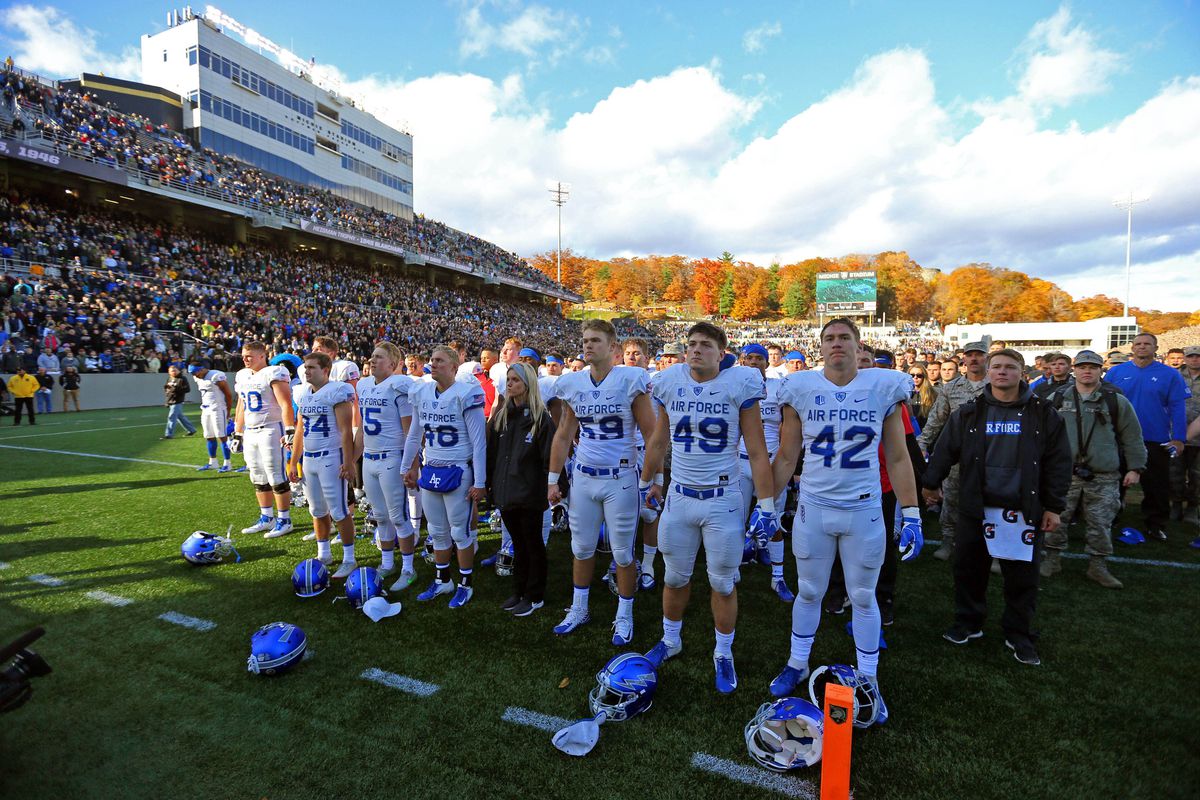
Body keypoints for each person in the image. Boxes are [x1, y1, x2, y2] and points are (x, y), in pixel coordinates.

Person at [766, 318, 920, 710]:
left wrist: (913, 513)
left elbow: (899, 457)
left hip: (864, 508)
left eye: (844, 338)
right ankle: (797, 663)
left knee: (864, 595)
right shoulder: (800, 387)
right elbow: (786, 455)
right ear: (820, 347)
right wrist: (766, 504)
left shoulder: (883, 386)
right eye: (830, 338)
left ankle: (868, 677)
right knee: (810, 591)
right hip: (814, 508)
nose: (837, 344)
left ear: (857, 344)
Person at [640, 322, 775, 695]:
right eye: (692, 344)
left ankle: (723, 651)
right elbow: (658, 440)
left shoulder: (739, 383)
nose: (696, 350)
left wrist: (766, 504)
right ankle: (670, 640)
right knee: (674, 576)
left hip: (722, 498)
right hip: (680, 497)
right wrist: (647, 481)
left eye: (705, 345)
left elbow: (758, 450)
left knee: (722, 581)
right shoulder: (670, 382)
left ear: (721, 353)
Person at [923, 348, 1072, 667]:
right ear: (988, 372)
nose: (1002, 372)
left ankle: (1018, 632)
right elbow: (945, 448)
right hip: (976, 506)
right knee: (968, 570)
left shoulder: (1043, 413)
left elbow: (1059, 462)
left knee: (1022, 578)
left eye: (1010, 367)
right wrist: (930, 483)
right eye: (997, 367)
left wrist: (1054, 506)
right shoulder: (970, 411)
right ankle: (968, 623)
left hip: (1022, 509)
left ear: (1023, 372)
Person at [548, 319, 656, 645]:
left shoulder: (631, 379)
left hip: (620, 477)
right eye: (585, 340)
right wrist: (553, 479)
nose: (587, 345)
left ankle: (625, 613)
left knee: (622, 553)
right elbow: (565, 432)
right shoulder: (573, 383)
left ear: (613, 348)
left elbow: (652, 434)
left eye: (595, 340)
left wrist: (654, 479)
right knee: (580, 547)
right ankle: (579, 607)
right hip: (583, 476)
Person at [1042, 350, 1146, 588]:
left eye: (1093, 367)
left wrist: (1135, 468)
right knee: (1056, 518)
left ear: (1101, 370)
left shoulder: (1115, 400)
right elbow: (1040, 435)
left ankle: (1097, 566)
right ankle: (1052, 559)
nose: (1087, 371)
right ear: (1074, 370)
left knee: (1101, 522)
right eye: (1082, 367)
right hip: (1064, 474)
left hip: (1103, 474)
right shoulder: (1057, 399)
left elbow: (1132, 437)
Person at [402, 345, 488, 608]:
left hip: (458, 470)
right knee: (437, 532)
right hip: (431, 469)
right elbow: (415, 434)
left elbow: (479, 442)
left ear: (453, 367)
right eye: (432, 360)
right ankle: (442, 580)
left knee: (460, 533)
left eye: (439, 361)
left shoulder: (466, 393)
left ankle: (465, 584)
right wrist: (407, 466)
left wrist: (480, 481)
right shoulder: (422, 392)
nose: (433, 364)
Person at [1104, 332, 1190, 541]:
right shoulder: (1116, 373)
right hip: (1119, 438)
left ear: (1155, 348)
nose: (1142, 347)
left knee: (1156, 485)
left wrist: (1179, 438)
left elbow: (1178, 407)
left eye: (1147, 344)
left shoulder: (1170, 375)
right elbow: (1104, 404)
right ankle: (1110, 518)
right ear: (1132, 348)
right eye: (1138, 344)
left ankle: (1155, 524)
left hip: (1154, 438)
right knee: (1113, 482)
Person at [487, 361, 556, 617]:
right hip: (506, 493)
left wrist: (553, 487)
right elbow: (492, 455)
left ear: (527, 384)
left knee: (532, 545)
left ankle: (534, 595)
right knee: (517, 544)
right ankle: (519, 591)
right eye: (509, 379)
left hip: (529, 494)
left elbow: (550, 457)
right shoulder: (501, 417)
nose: (510, 384)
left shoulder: (541, 420)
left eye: (516, 380)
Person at [288, 352, 358, 578]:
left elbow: (346, 430)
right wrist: (293, 461)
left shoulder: (337, 391)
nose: (306, 371)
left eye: (311, 367)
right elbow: (300, 430)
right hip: (309, 458)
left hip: (331, 456)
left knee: (339, 510)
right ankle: (323, 553)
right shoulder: (304, 393)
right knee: (316, 510)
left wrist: (348, 461)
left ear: (325, 370)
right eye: (306, 367)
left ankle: (349, 558)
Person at [354, 341, 417, 590]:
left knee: (398, 517)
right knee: (380, 516)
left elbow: (409, 430)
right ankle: (388, 562)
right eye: (372, 356)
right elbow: (361, 430)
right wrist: (351, 459)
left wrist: (412, 465)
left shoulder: (399, 386)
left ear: (392, 364)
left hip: (392, 457)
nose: (372, 360)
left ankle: (408, 568)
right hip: (369, 458)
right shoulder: (364, 385)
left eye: (379, 357)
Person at [919, 342, 988, 560]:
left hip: (991, 456)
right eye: (970, 355)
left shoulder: (997, 385)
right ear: (963, 360)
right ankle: (948, 542)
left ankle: (992, 548)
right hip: (959, 457)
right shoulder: (952, 388)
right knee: (951, 500)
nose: (974, 359)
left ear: (987, 358)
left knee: (991, 502)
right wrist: (922, 443)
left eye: (979, 355)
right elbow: (936, 419)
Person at [737, 343, 794, 602]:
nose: (755, 362)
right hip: (739, 461)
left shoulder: (778, 387)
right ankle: (732, 568)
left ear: (766, 362)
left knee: (775, 520)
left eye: (760, 358)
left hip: (770, 461)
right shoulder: (733, 385)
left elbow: (786, 427)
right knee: (734, 520)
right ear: (743, 360)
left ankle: (778, 577)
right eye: (750, 358)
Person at [232, 340, 297, 539]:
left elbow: (285, 403)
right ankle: (266, 516)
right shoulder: (243, 375)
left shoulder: (274, 372)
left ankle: (284, 519)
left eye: (249, 355)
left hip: (271, 428)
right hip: (251, 431)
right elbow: (241, 405)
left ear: (262, 355)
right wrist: (238, 432)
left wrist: (289, 429)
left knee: (275, 474)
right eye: (243, 355)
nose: (245, 359)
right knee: (257, 475)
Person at [1170, 345, 1200, 526]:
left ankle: (1192, 507)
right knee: (1174, 473)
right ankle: (1175, 504)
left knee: (1197, 475)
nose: (1194, 360)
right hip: (1176, 433)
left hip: (1199, 439)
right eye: (1191, 356)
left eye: (1198, 356)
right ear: (1185, 358)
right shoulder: (1174, 376)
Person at [189, 360, 233, 472]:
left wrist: (228, 410)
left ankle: (227, 463)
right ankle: (213, 462)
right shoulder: (197, 377)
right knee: (209, 436)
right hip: (205, 409)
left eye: (195, 372)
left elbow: (228, 394)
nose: (195, 375)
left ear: (202, 369)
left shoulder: (215, 376)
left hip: (218, 408)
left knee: (222, 436)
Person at [162, 364, 197, 439]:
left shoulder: (182, 378)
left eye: (175, 370)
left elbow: (187, 389)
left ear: (178, 371)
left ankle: (168, 434)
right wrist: (167, 401)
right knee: (180, 417)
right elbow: (167, 390)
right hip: (171, 400)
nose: (174, 372)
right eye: (172, 371)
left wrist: (176, 389)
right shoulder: (169, 379)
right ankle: (191, 430)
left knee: (171, 417)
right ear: (169, 372)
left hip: (178, 400)